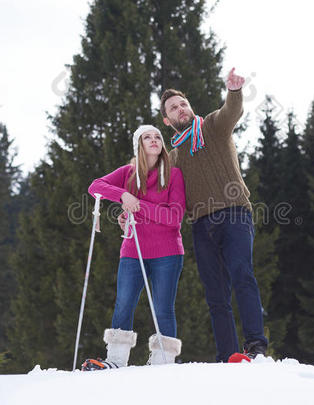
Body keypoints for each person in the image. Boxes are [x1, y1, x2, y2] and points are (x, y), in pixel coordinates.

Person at [161, 68, 268, 362]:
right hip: (202, 225)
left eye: (183, 103)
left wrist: (234, 91)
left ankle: (256, 346)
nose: (180, 108)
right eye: (173, 108)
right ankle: (228, 355)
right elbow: (157, 192)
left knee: (242, 274)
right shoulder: (173, 158)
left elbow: (230, 111)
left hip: (234, 215)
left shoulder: (211, 126)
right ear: (167, 120)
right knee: (216, 296)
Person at [84, 125, 186, 370]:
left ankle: (163, 361)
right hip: (132, 250)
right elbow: (95, 186)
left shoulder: (174, 175)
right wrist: (122, 196)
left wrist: (138, 204)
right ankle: (116, 360)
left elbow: (175, 217)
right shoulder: (128, 173)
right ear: (138, 145)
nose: (154, 140)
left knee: (163, 307)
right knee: (124, 302)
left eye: (158, 137)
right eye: (147, 137)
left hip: (168, 252)